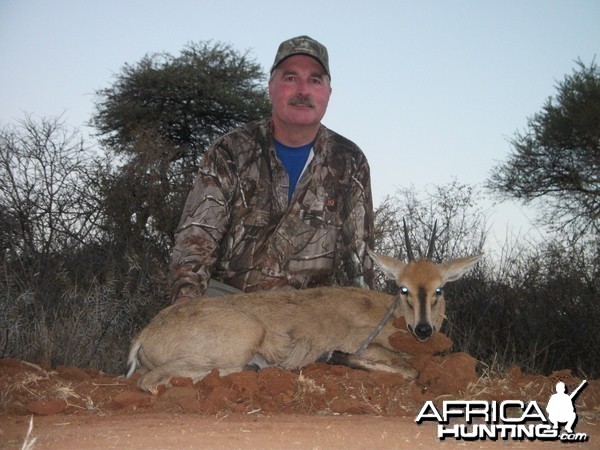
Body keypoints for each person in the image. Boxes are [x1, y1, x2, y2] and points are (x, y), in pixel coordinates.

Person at [170, 35, 374, 303]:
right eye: (290, 78)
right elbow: (196, 238)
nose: (303, 90)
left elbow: (358, 260)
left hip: (308, 314)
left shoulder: (350, 161)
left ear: (328, 93)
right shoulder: (229, 151)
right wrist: (186, 302)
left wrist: (359, 324)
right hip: (231, 303)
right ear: (270, 88)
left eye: (315, 80)